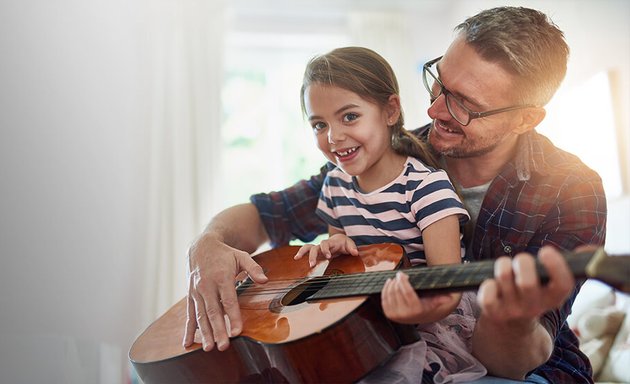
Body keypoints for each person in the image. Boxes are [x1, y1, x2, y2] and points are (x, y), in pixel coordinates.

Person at [184, 6, 607, 383]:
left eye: (463, 104)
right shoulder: (386, 153)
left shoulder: (572, 192)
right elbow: (263, 214)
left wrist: (508, 320)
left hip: (518, 363)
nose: (434, 110)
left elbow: (511, 361)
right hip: (384, 343)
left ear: (526, 118)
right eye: (439, 82)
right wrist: (208, 244)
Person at [292, 46, 484, 382]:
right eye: (319, 124)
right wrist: (327, 252)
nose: (334, 137)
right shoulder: (334, 185)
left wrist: (414, 312)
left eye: (349, 116)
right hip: (369, 322)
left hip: (430, 325)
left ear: (390, 110)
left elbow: (449, 290)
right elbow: (342, 255)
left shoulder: (426, 188)